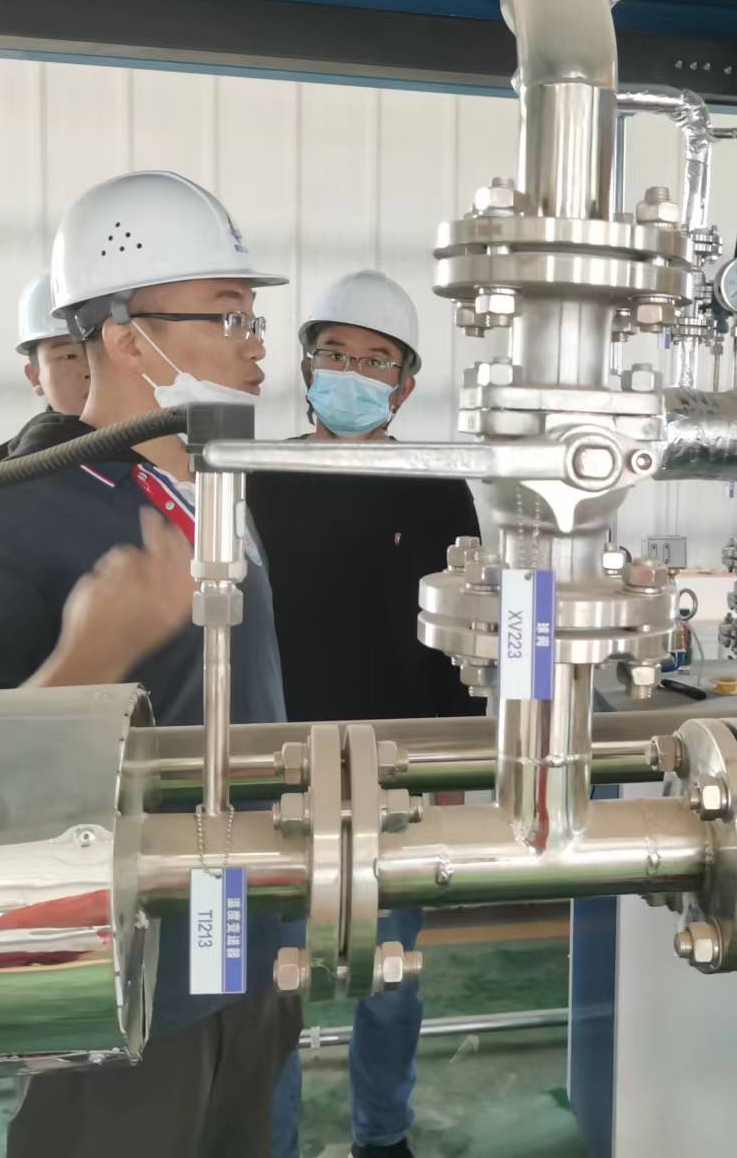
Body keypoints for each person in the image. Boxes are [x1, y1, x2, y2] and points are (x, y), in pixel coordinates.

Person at [0, 170, 301, 1158]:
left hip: (235, 928)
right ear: (127, 338)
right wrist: (92, 655)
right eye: (228, 314)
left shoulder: (217, 488)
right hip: (116, 964)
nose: (257, 343)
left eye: (253, 316)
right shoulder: (4, 512)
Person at [250, 270, 484, 1158]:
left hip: (395, 769)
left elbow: (458, 633)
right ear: (307, 367)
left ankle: (381, 1136)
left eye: (375, 360)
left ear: (406, 385)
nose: (351, 373)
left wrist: (455, 768)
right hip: (272, 767)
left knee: (390, 978)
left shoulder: (434, 487)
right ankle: (266, 1141)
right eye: (335, 354)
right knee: (267, 984)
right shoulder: (259, 477)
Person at [0, 274, 90, 463]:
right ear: (34, 377)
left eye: (107, 352)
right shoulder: (26, 471)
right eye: (69, 356)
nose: (91, 370)